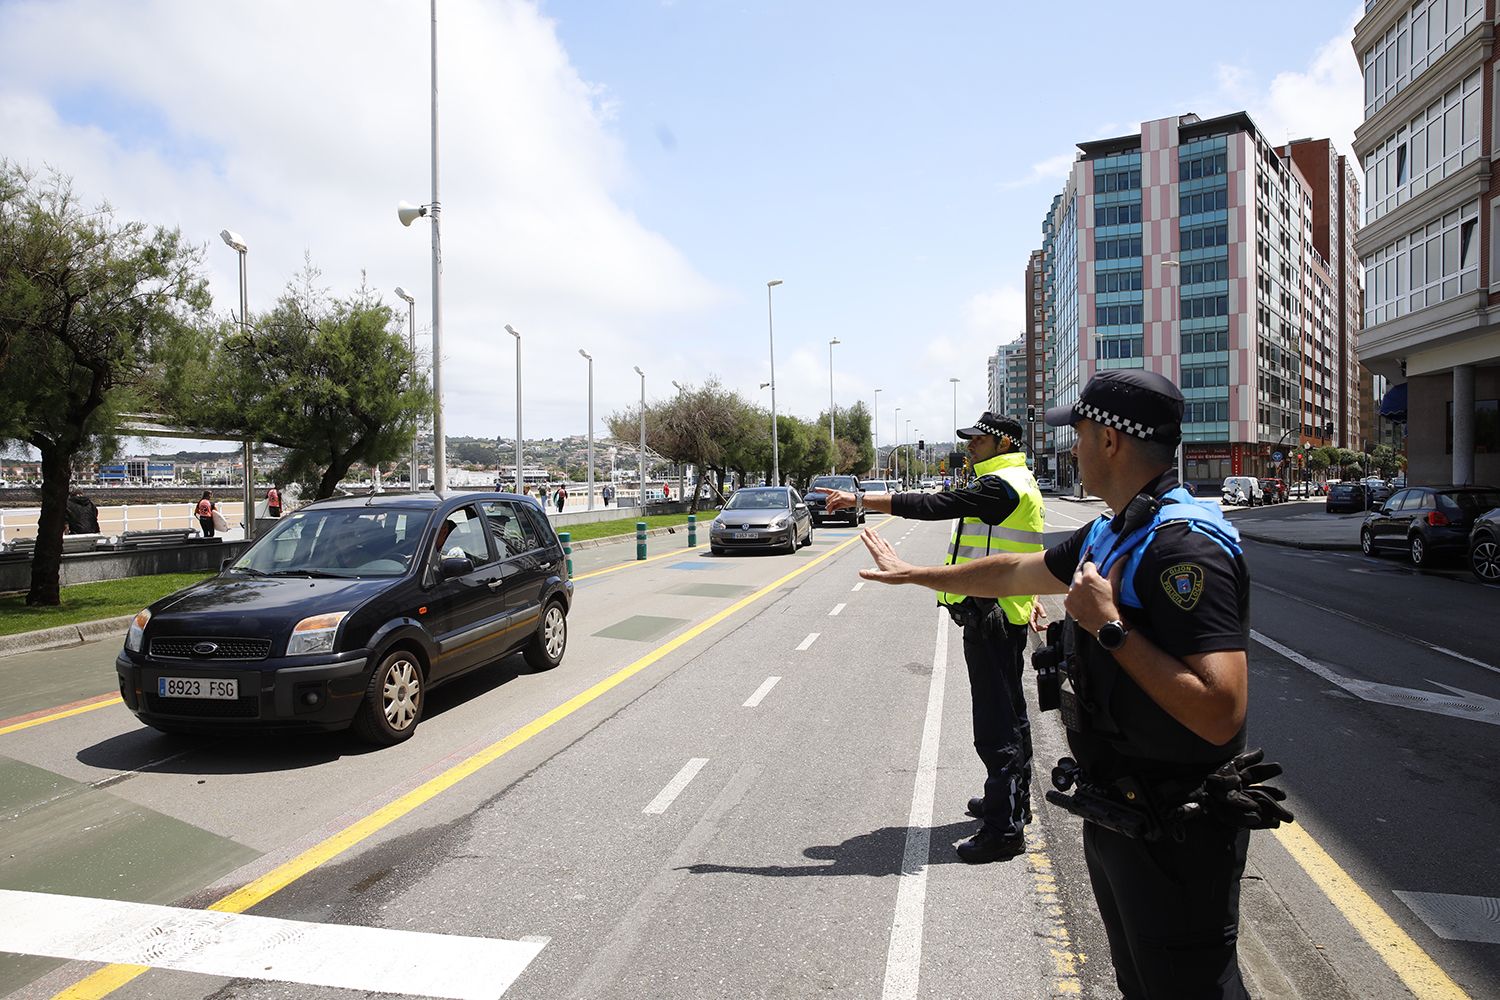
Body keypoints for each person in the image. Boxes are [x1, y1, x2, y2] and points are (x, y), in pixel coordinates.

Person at [857, 370, 1290, 1000]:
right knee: (1138, 980)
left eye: (1080, 432)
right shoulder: (1112, 529)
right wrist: (916, 573)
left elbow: (1222, 710)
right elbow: (1014, 571)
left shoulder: (1183, 549)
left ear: (1111, 441)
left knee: (1190, 985)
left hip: (1177, 827)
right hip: (1121, 809)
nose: (1072, 446)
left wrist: (1110, 629)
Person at [824, 411, 1046, 864]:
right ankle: (1011, 802)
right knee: (1012, 715)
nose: (969, 447)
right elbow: (1026, 546)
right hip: (1004, 608)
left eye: (978, 441)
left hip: (993, 615)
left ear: (1003, 443)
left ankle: (1004, 830)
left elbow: (934, 506)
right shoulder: (1015, 479)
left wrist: (865, 502)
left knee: (995, 725)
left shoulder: (1000, 485)